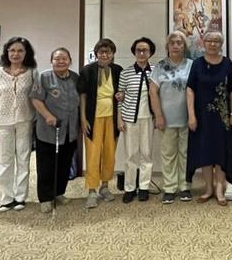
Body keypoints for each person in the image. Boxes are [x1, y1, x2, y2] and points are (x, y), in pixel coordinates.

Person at [186, 30, 232, 206]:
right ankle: (208, 188)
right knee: (205, 152)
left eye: (216, 41)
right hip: (202, 117)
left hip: (222, 117)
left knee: (221, 152)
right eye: (209, 40)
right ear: (204, 42)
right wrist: (191, 115)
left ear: (221, 44)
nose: (213, 43)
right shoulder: (197, 64)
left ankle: (219, 189)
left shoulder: (227, 63)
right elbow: (190, 89)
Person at [0, 36, 38, 212]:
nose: (16, 54)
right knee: (5, 160)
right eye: (12, 50)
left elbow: (36, 97)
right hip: (3, 121)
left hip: (25, 121)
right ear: (7, 52)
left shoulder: (32, 72)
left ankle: (20, 197)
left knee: (23, 159)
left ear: (26, 53)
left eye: (20, 51)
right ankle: (6, 198)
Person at [31, 47, 79, 213]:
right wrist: (48, 116)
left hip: (69, 130)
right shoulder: (44, 77)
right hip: (49, 129)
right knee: (46, 165)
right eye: (57, 59)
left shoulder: (75, 78)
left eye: (64, 58)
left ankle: (59, 192)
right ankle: (45, 198)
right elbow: (36, 99)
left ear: (70, 61)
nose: (60, 61)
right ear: (51, 61)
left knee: (64, 164)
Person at [149, 31, 194, 204]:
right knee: (168, 154)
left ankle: (184, 187)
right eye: (172, 43)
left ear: (184, 46)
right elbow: (153, 92)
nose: (176, 46)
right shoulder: (160, 66)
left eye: (179, 43)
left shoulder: (191, 65)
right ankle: (169, 188)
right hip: (166, 118)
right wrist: (158, 115)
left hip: (187, 117)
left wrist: (193, 115)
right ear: (167, 46)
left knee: (185, 153)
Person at [78, 38, 122, 209]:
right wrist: (83, 118)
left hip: (112, 117)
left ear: (112, 54)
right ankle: (91, 190)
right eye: (101, 52)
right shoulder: (87, 70)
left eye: (108, 52)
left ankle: (105, 186)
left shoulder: (118, 70)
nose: (104, 55)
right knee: (93, 154)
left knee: (110, 153)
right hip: (92, 117)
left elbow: (121, 93)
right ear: (96, 54)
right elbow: (82, 95)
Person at [117, 36, 156, 203]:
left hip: (149, 118)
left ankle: (144, 187)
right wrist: (119, 119)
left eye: (145, 50)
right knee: (131, 155)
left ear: (150, 53)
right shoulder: (125, 73)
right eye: (138, 50)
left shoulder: (156, 71)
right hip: (129, 118)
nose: (141, 53)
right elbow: (119, 97)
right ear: (134, 52)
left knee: (146, 154)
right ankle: (130, 188)